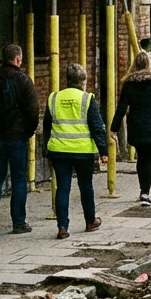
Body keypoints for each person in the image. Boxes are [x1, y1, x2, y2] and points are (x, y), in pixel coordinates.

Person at [43, 63, 109, 239]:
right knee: (86, 186)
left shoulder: (54, 98)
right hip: (83, 151)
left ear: (68, 80)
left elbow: (47, 127)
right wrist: (104, 151)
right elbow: (97, 127)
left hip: (58, 151)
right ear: (83, 81)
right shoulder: (87, 99)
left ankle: (62, 227)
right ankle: (90, 221)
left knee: (62, 187)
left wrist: (45, 148)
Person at [0, 43, 39, 237]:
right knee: (18, 179)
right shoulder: (23, 81)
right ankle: (19, 222)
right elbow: (33, 112)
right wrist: (26, 133)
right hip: (17, 139)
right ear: (18, 59)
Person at [110, 51, 151, 207]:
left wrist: (114, 128)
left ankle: (142, 190)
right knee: (149, 159)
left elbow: (121, 108)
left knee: (141, 158)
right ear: (149, 64)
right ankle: (145, 193)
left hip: (136, 126)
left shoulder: (128, 85)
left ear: (134, 65)